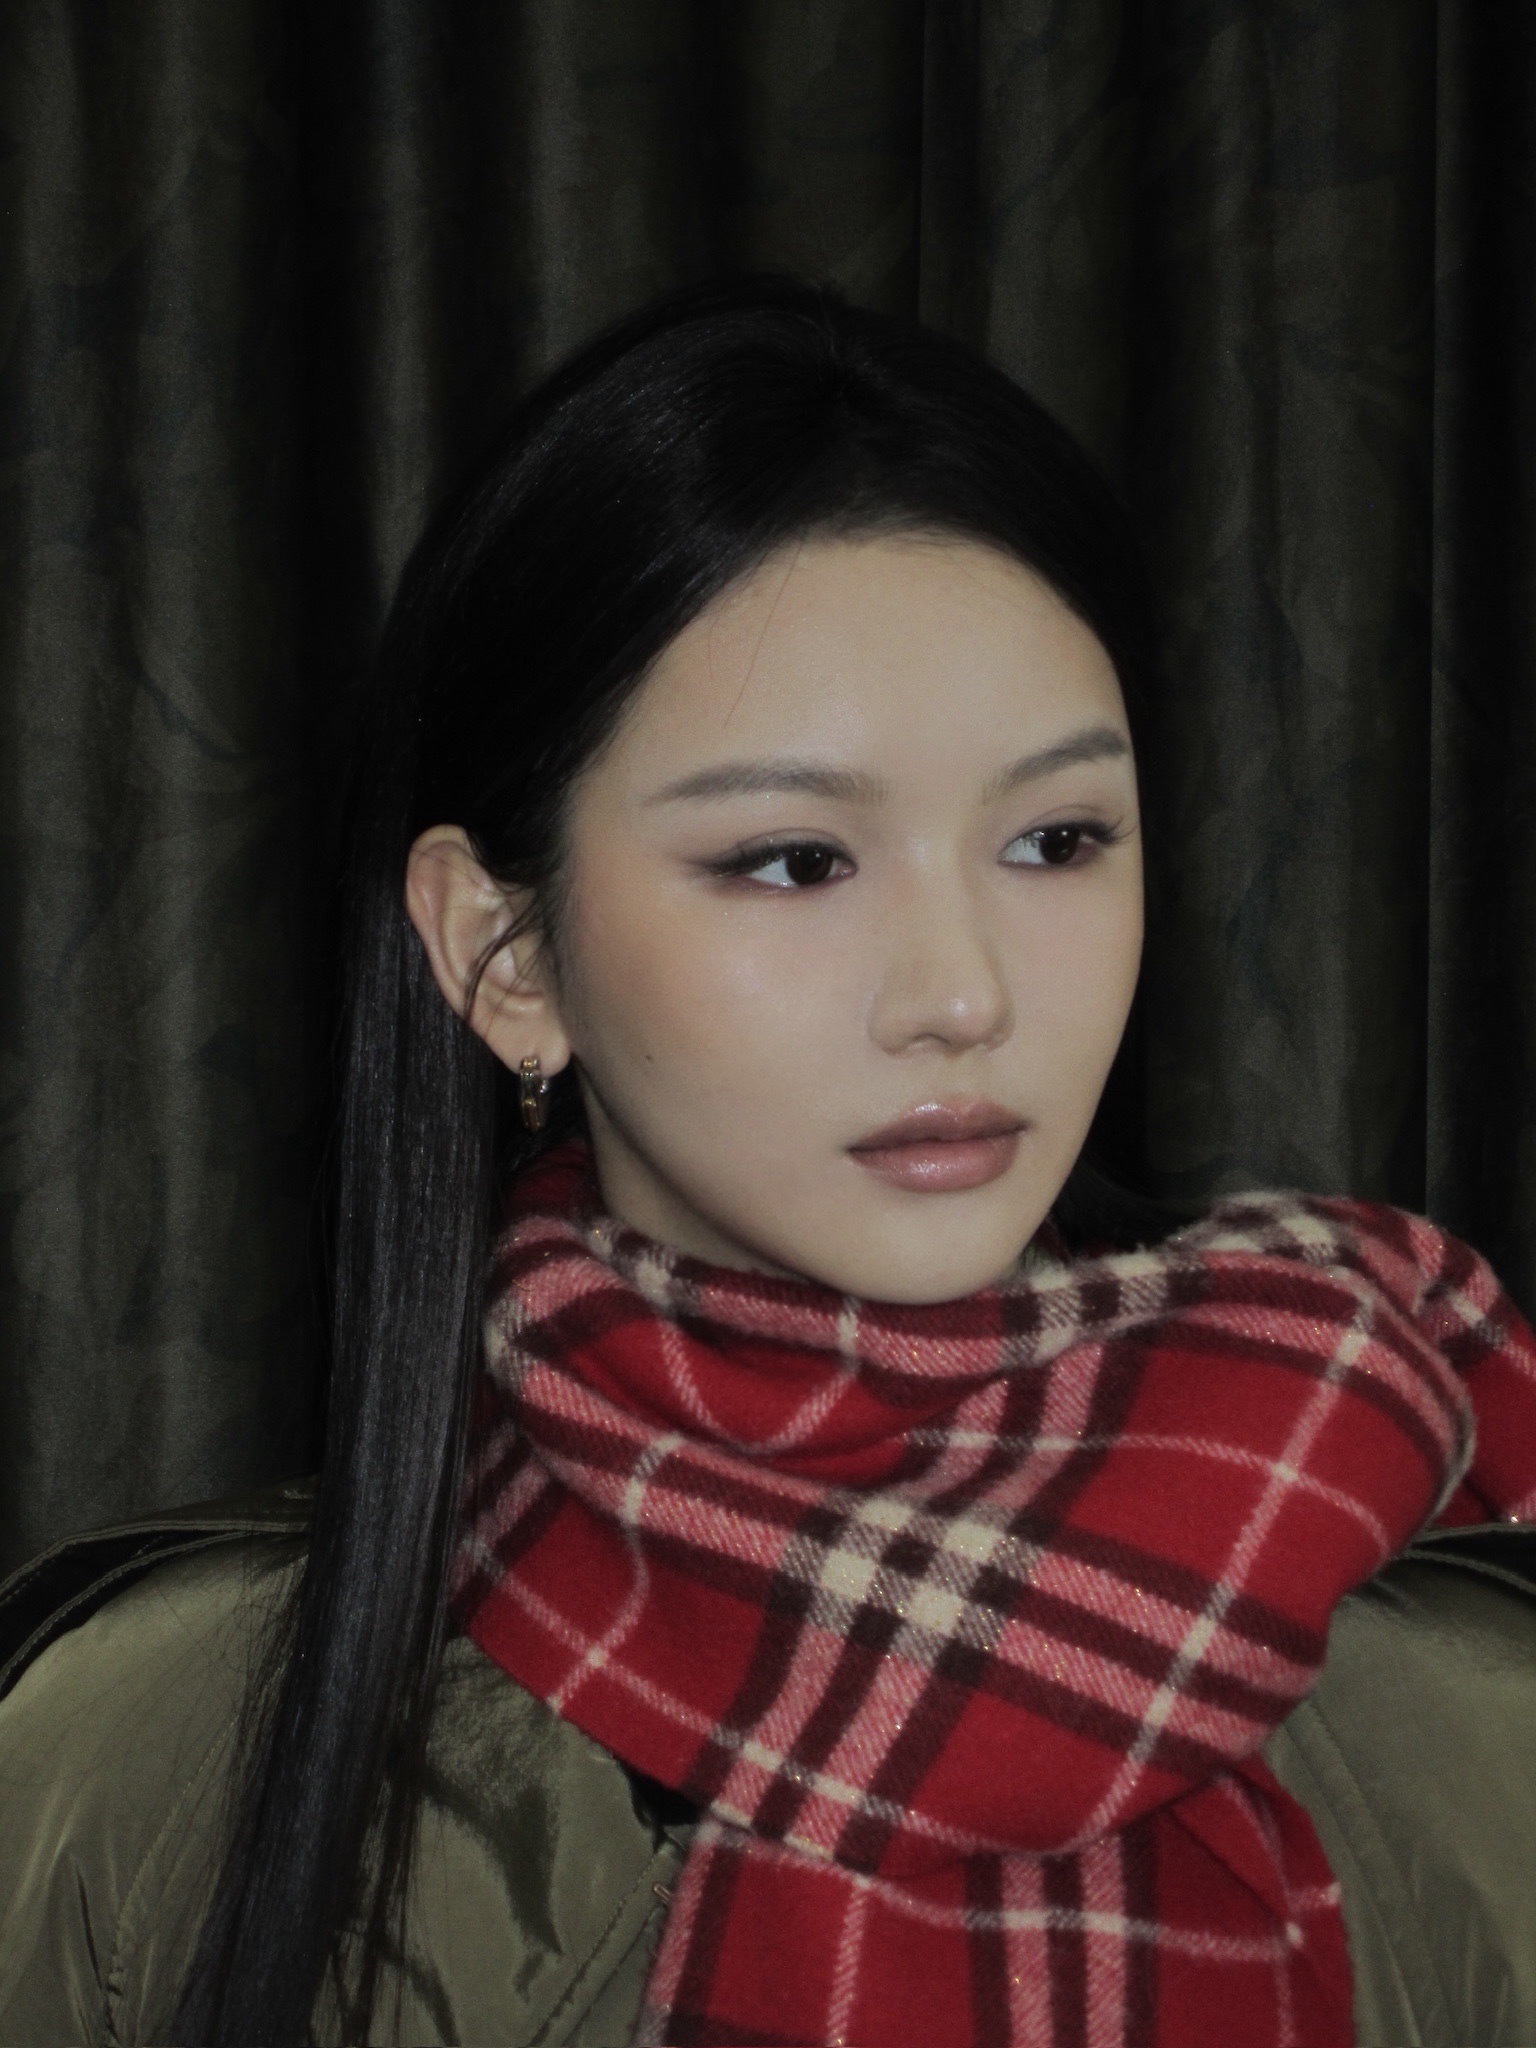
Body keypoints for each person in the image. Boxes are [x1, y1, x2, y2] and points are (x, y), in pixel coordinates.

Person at [3, 275, 1536, 2048]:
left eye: (1057, 839)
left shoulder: (1467, 1719)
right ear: (503, 953)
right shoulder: (143, 1766)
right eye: (796, 860)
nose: (963, 995)